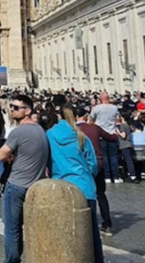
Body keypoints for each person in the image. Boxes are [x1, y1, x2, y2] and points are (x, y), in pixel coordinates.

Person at [47, 106, 104, 263]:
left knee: (62, 231)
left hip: (60, 186)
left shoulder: (49, 135)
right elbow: (92, 165)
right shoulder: (81, 136)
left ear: (59, 117)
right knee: (91, 232)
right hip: (84, 186)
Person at [0, 94, 49, 263]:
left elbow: (0, 155)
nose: (12, 110)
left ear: (27, 111)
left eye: (16, 108)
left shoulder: (18, 132)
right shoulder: (40, 129)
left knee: (12, 228)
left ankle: (12, 261)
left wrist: (10, 155)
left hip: (17, 184)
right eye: (11, 106)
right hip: (35, 184)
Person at [76, 107, 118, 236]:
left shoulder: (73, 130)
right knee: (101, 194)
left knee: (82, 195)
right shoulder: (94, 128)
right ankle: (107, 223)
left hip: (81, 166)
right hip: (98, 164)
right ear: (86, 116)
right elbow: (111, 138)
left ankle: (85, 224)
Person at [90, 92, 121, 183]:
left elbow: (91, 119)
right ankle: (115, 176)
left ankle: (106, 176)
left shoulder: (96, 108)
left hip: (100, 134)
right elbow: (117, 119)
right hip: (112, 133)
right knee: (113, 156)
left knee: (104, 156)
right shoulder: (114, 108)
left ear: (100, 99)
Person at [115, 115, 138, 183]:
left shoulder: (123, 125)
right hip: (128, 144)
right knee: (128, 160)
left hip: (123, 144)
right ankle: (130, 174)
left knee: (128, 160)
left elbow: (123, 135)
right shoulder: (127, 125)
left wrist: (118, 132)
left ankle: (132, 175)